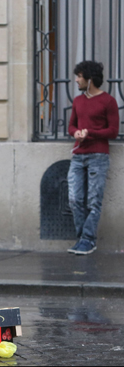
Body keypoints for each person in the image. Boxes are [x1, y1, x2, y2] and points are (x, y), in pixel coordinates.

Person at [67, 61, 120, 255]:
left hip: (98, 155)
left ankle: (88, 240)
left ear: (89, 79)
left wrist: (90, 133)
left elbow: (113, 131)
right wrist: (75, 134)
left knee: (93, 201)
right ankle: (83, 239)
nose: (76, 80)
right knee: (74, 199)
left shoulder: (108, 101)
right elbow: (71, 126)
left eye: (79, 76)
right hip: (78, 156)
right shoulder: (78, 101)